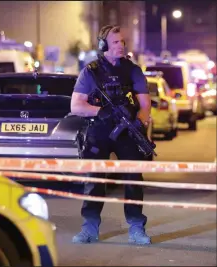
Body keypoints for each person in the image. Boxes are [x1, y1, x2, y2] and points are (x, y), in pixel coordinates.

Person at [70, 25, 152, 245]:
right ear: (104, 45)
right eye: (116, 42)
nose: (121, 46)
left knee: (134, 178)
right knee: (94, 180)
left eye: (123, 42)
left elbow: (145, 105)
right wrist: (100, 111)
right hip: (99, 128)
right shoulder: (91, 71)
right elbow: (76, 105)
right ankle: (89, 229)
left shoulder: (132, 70)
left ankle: (136, 228)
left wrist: (140, 124)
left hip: (127, 131)